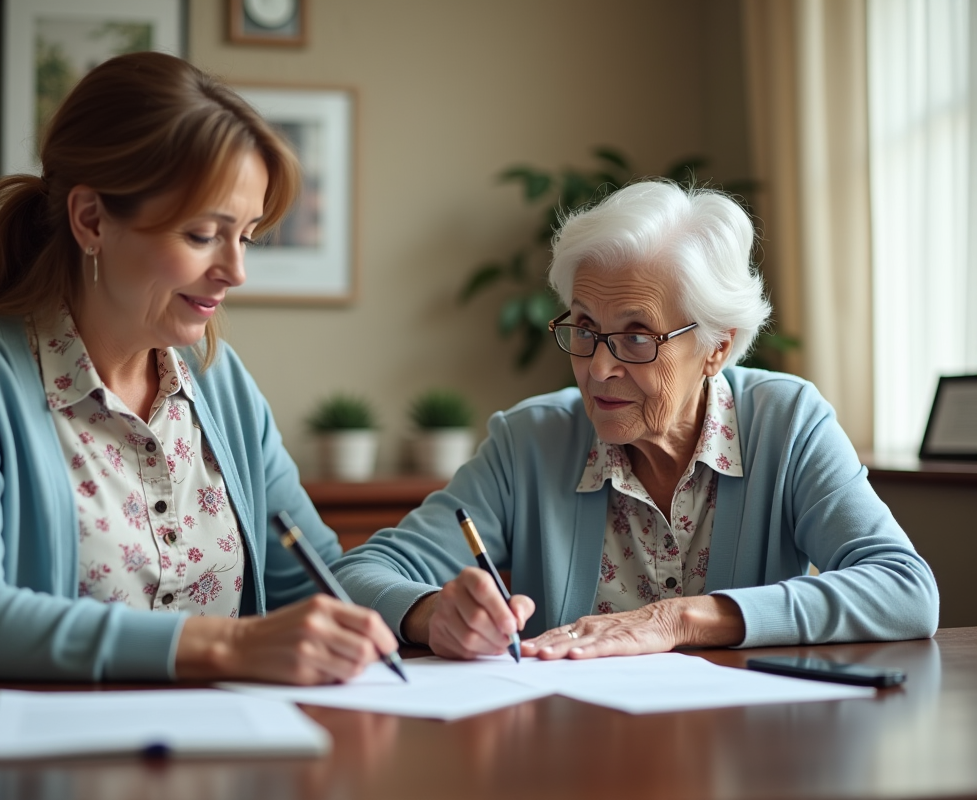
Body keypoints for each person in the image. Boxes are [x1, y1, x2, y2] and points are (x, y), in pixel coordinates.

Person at [0, 52, 397, 683]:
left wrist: (423, 611)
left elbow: (316, 573)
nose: (236, 272)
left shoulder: (220, 384)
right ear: (91, 219)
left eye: (249, 236)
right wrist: (226, 647)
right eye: (204, 234)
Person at [335, 180, 938, 661]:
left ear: (717, 347)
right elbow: (356, 573)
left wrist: (678, 619)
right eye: (585, 329)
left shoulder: (788, 423)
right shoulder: (529, 441)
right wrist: (432, 612)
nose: (598, 368)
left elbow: (905, 589)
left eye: (636, 336)